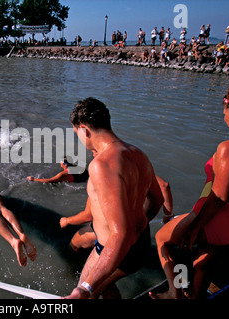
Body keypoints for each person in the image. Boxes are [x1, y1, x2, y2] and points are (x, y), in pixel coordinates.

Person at [150, 73, 229, 299]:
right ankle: (195, 296)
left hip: (216, 219)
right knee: (202, 261)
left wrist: (195, 226)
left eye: (225, 115)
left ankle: (174, 290)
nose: (224, 119)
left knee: (163, 239)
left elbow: (218, 197)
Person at [63, 98, 164, 299]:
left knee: (86, 292)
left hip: (116, 248)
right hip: (139, 241)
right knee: (102, 286)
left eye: (77, 134)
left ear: (84, 129)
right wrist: (138, 225)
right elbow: (157, 199)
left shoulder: (101, 165)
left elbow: (121, 235)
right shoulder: (138, 154)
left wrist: (84, 289)